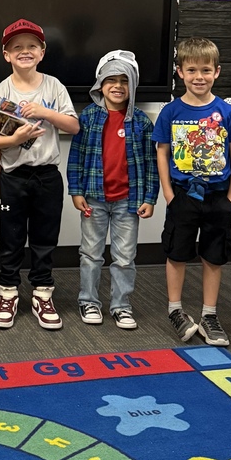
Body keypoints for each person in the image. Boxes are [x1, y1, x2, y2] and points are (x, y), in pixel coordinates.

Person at [152, 37, 231, 346]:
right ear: (179, 72)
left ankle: (209, 314)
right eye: (191, 69)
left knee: (214, 255)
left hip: (218, 196)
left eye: (206, 70)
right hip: (183, 194)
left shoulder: (228, 113)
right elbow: (162, 152)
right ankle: (175, 310)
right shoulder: (171, 112)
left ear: (217, 72)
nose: (199, 77)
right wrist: (168, 193)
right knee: (177, 252)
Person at [0, 19, 79, 330]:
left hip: (48, 176)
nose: (25, 52)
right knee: (11, 238)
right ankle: (8, 292)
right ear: (6, 54)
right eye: (17, 48)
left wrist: (44, 113)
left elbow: (73, 126)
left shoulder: (54, 86)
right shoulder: (1, 92)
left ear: (42, 52)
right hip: (14, 178)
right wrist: (14, 139)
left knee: (44, 238)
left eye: (31, 47)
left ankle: (42, 292)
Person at [67, 50, 158, 329]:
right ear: (100, 84)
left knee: (124, 257)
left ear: (133, 84)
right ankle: (89, 301)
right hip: (93, 198)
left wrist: (149, 197)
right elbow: (76, 157)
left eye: (124, 80)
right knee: (91, 253)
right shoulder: (88, 118)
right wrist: (76, 191)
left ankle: (121, 305)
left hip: (128, 202)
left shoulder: (141, 122)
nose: (117, 86)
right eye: (111, 80)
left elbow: (151, 163)